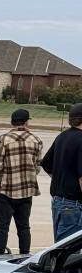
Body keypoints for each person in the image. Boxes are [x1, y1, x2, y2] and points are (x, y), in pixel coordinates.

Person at [0, 108, 43, 255]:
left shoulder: (3, 139)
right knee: (24, 226)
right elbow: (37, 165)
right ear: (26, 122)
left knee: (2, 227)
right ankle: (25, 254)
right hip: (26, 191)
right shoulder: (36, 140)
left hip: (6, 190)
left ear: (12, 122)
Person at [40, 103, 82, 242]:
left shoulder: (61, 136)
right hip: (73, 205)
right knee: (70, 255)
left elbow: (46, 163)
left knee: (60, 248)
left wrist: (62, 179)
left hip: (58, 201)